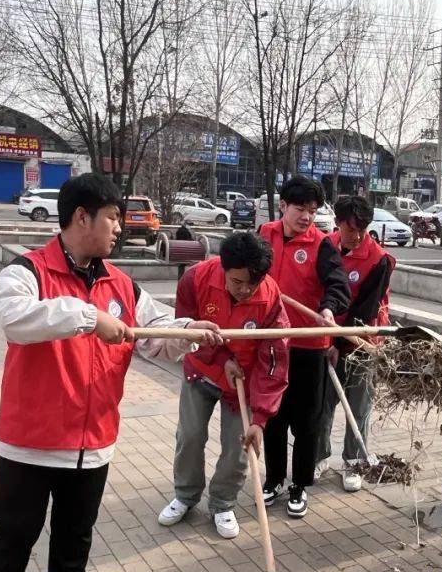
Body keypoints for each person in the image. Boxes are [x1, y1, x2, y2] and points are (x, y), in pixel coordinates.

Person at [0, 173, 222, 572]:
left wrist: (188, 331)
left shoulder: (121, 283)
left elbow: (152, 331)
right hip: (31, 439)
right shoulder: (27, 272)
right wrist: (88, 316)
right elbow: (15, 319)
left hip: (93, 438)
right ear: (82, 218)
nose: (119, 229)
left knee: (75, 533)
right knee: (15, 532)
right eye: (112, 218)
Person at [158, 231, 290, 538]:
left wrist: (260, 417)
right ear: (223, 269)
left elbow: (274, 361)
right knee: (190, 436)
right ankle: (186, 495)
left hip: (242, 381)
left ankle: (222, 502)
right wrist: (220, 360)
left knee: (239, 447)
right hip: (203, 370)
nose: (245, 290)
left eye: (252, 283)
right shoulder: (195, 280)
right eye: (237, 281)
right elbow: (186, 329)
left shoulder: (270, 299)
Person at [258, 176, 350, 518]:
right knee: (273, 416)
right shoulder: (264, 236)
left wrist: (328, 307)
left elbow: (338, 284)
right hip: (270, 344)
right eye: (301, 209)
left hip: (309, 345)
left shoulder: (322, 244)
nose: (307, 217)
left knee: (307, 420)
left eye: (313, 211)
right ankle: (275, 479)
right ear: (283, 206)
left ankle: (300, 484)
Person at [315, 195, 395, 492]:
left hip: (362, 342)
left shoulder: (379, 259)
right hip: (326, 338)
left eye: (363, 228)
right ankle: (319, 456)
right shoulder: (325, 246)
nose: (358, 235)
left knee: (358, 405)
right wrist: (327, 339)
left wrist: (339, 343)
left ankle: (353, 462)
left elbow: (365, 310)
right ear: (338, 223)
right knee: (323, 403)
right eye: (351, 228)